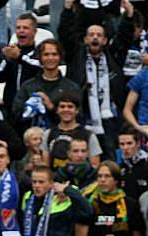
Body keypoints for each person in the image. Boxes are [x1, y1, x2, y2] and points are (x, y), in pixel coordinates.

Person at [57, 3, 131, 156]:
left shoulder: (114, 58)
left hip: (108, 118)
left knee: (109, 155)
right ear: (85, 39)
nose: (95, 38)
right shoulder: (75, 56)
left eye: (99, 35)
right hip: (83, 115)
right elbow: (65, 34)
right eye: (91, 35)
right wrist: (67, 10)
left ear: (105, 40)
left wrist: (129, 16)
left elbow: (124, 39)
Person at [11, 39, 82, 128]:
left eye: (54, 54)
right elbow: (15, 116)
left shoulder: (71, 87)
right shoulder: (28, 86)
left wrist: (52, 107)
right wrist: (29, 109)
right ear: (40, 58)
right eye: (46, 54)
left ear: (60, 57)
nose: (50, 58)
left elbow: (78, 118)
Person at [0, 12, 41, 111]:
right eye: (18, 28)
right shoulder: (9, 53)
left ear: (34, 32)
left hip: (33, 107)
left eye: (25, 28)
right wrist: (7, 59)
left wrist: (19, 57)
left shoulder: (40, 53)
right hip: (10, 107)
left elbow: (39, 68)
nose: (21, 31)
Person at [42, 93, 103, 171]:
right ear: (57, 110)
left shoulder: (88, 135)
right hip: (55, 181)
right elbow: (45, 166)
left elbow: (95, 166)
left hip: (80, 182)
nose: (66, 110)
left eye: (70, 107)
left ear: (77, 110)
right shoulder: (48, 134)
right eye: (62, 106)